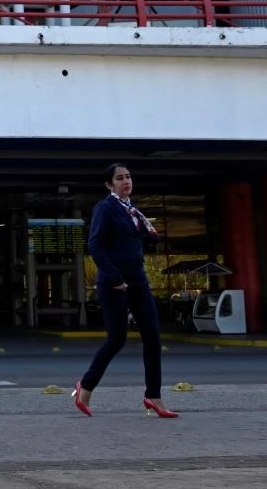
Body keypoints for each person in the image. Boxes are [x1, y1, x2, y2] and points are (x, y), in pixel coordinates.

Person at [73, 164, 177, 419]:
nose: (126, 181)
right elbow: (95, 244)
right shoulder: (105, 208)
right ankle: (85, 387)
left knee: (152, 336)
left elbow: (136, 240)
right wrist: (114, 276)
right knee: (117, 338)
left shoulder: (131, 210)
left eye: (128, 177)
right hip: (114, 282)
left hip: (138, 280)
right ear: (109, 185)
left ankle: (154, 396)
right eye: (120, 178)